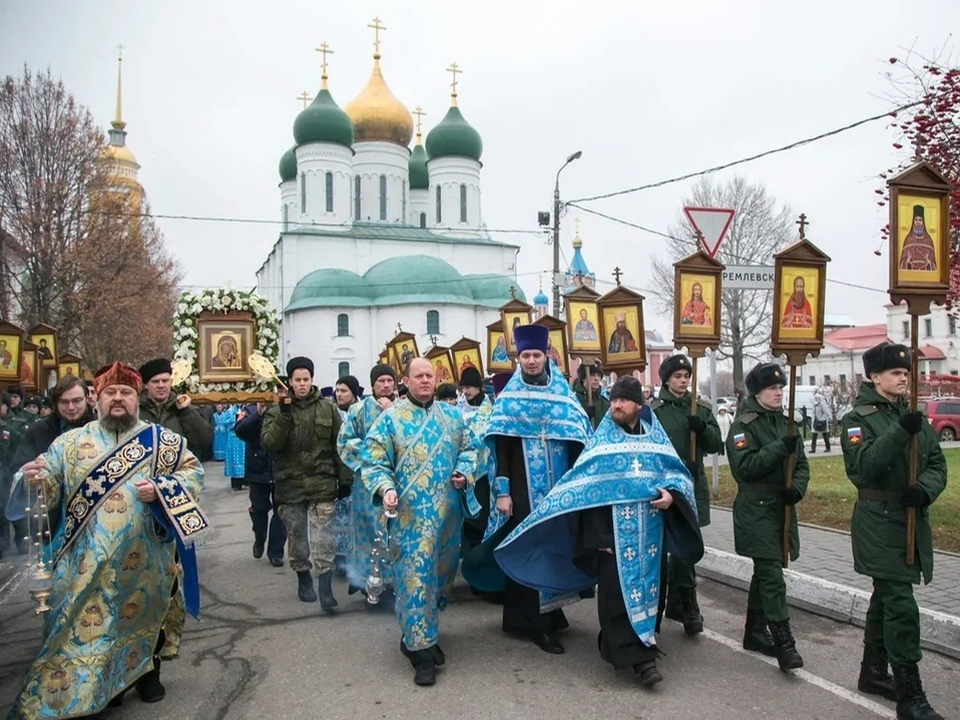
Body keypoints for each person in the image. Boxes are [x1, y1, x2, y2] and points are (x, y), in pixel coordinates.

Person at [7, 362, 207, 719]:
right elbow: (48, 487)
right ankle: (102, 685)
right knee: (90, 627)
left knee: (147, 620)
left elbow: (193, 472)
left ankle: (148, 675)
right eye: (110, 393)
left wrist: (162, 489)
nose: (118, 399)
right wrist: (34, 478)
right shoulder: (69, 444)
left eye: (126, 393)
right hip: (86, 561)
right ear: (95, 399)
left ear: (136, 398)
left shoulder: (164, 440)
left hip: (148, 557)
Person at [495, 376, 703, 686]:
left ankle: (643, 640)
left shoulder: (656, 441)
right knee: (617, 598)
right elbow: (586, 493)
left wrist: (672, 496)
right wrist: (600, 539)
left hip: (650, 537)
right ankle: (639, 660)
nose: (617, 405)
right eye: (614, 399)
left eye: (624, 400)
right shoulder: (602, 445)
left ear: (639, 405)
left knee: (650, 592)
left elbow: (678, 478)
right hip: (614, 537)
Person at [840, 342, 947, 720]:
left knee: (885, 599)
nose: (904, 378)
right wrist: (900, 431)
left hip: (910, 519)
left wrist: (925, 490)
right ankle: (909, 693)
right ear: (874, 377)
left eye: (906, 373)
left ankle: (872, 672)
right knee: (900, 604)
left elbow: (936, 463)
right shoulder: (857, 419)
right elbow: (864, 466)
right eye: (896, 373)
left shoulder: (910, 414)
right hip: (878, 521)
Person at [361, 357, 478, 686]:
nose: (425, 380)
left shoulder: (452, 417)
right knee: (414, 581)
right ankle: (421, 653)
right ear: (406, 380)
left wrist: (464, 471)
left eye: (430, 375)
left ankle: (420, 633)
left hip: (446, 519)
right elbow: (373, 460)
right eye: (419, 376)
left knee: (438, 580)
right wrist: (385, 489)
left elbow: (472, 448)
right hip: (409, 519)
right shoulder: (391, 420)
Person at [483, 325, 591, 654]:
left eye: (536, 355)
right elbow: (500, 448)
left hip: (558, 489)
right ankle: (536, 625)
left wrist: (579, 487)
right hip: (523, 489)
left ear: (547, 356)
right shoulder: (510, 399)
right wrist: (502, 492)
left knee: (556, 547)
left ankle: (550, 613)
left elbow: (579, 440)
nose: (531, 361)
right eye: (526, 356)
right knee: (531, 549)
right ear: (518, 358)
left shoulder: (563, 396)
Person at [726, 362, 808, 672]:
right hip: (755, 508)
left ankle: (754, 632)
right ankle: (784, 641)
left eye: (781, 388)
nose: (778, 393)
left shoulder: (787, 423)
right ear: (756, 392)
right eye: (772, 388)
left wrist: (796, 489)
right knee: (772, 573)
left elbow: (801, 465)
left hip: (782, 507)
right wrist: (778, 449)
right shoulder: (743, 426)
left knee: (765, 572)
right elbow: (744, 468)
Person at [261, 356, 352, 610]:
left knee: (323, 536)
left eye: (306, 379)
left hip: (322, 483)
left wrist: (344, 478)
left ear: (312, 379)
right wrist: (285, 415)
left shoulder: (327, 409)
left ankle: (325, 587)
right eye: (297, 380)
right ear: (289, 381)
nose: (302, 384)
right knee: (298, 536)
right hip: (290, 486)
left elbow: (339, 446)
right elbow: (270, 443)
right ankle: (303, 578)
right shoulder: (276, 411)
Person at [649, 354, 722, 635]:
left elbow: (716, 444)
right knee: (673, 546)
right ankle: (685, 603)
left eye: (686, 376)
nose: (683, 381)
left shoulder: (700, 408)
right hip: (666, 487)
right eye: (678, 376)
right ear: (666, 379)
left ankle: (682, 603)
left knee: (687, 545)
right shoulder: (656, 411)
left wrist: (702, 429)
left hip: (693, 484)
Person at [235, 398, 287, 567]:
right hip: (258, 467)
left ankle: (276, 552)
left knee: (282, 511)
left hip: (281, 468)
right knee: (259, 508)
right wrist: (258, 414)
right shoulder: (250, 408)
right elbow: (239, 431)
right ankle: (259, 538)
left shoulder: (286, 408)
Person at [138, 358, 213, 458]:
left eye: (165, 381)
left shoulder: (184, 409)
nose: (161, 385)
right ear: (146, 385)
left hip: (179, 470)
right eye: (155, 382)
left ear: (171, 382)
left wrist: (186, 412)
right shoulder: (136, 411)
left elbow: (204, 441)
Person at [332, 374, 362, 575]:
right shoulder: (331, 412)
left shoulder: (361, 412)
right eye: (337, 390)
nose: (339, 394)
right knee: (339, 519)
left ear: (353, 393)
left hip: (359, 473)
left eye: (343, 391)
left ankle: (358, 560)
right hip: (336, 475)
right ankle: (341, 560)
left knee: (358, 520)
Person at [899, 204, 937, 272]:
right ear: (913, 222)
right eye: (916, 220)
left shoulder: (928, 239)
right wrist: (907, 261)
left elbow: (934, 265)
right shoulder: (908, 239)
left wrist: (929, 262)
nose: (918, 222)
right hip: (910, 277)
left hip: (926, 277)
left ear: (923, 222)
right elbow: (902, 263)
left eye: (920, 220)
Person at [572, 362, 608, 431]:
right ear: (583, 378)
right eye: (592, 375)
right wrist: (585, 416)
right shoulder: (574, 399)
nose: (597, 378)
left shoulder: (605, 401)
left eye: (599, 375)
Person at [223, 405, 246, 492]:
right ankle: (236, 483)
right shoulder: (230, 411)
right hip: (233, 438)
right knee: (234, 459)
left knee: (244, 458)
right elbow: (225, 422)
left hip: (243, 437)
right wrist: (235, 419)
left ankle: (245, 481)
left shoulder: (245, 409)